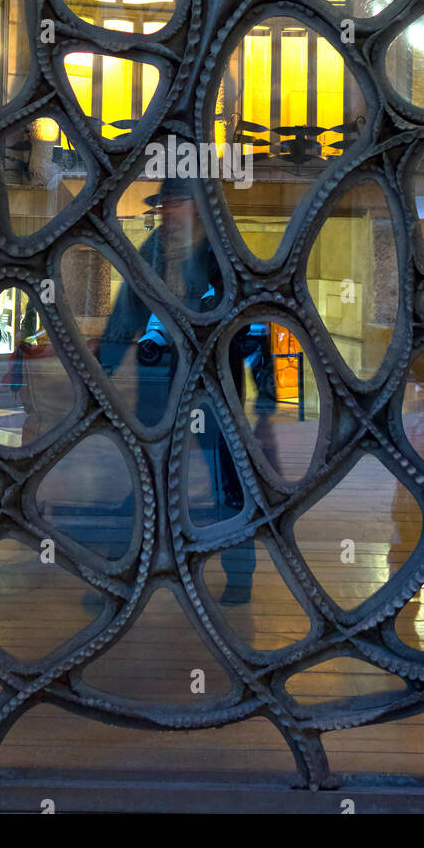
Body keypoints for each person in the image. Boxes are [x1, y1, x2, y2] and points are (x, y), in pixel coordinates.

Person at [96, 178, 279, 605]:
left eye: (176, 203)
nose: (167, 211)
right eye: (164, 204)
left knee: (229, 485)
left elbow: (253, 320)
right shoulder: (154, 252)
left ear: (197, 208)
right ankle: (124, 574)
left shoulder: (222, 255)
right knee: (150, 480)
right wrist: (105, 362)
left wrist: (266, 384)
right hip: (161, 390)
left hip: (214, 391)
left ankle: (239, 577)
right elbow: (129, 309)